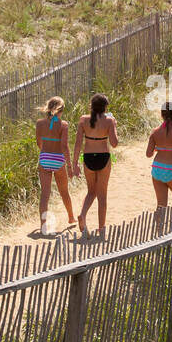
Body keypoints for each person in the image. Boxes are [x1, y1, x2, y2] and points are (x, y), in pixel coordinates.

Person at [72, 93, 119, 236]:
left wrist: (74, 164)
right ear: (105, 107)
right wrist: (114, 125)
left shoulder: (83, 120)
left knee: (91, 192)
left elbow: (78, 143)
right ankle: (101, 228)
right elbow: (114, 143)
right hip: (103, 157)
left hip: (87, 157)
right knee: (102, 196)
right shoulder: (109, 121)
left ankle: (82, 214)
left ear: (91, 106)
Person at [35, 96, 76, 235]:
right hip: (58, 160)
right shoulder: (63, 125)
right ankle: (71, 217)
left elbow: (38, 143)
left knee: (45, 194)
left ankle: (43, 225)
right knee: (64, 191)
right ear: (61, 110)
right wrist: (70, 166)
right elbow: (64, 146)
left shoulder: (39, 123)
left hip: (44, 158)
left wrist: (46, 150)